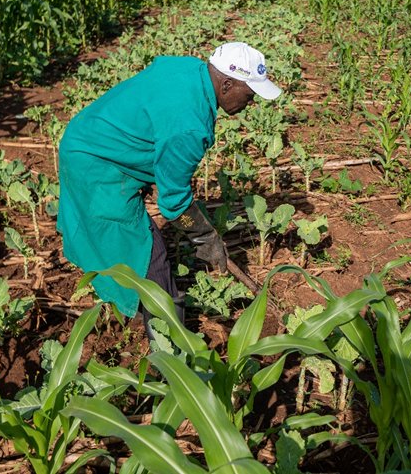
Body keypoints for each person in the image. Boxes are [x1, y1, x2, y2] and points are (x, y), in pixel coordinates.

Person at [56, 42, 282, 331]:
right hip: (95, 166)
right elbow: (174, 204)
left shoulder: (191, 70)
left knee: (147, 249)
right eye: (249, 95)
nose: (250, 103)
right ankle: (169, 347)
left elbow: (155, 100)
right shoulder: (189, 127)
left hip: (88, 132)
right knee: (149, 257)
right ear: (226, 84)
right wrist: (205, 237)